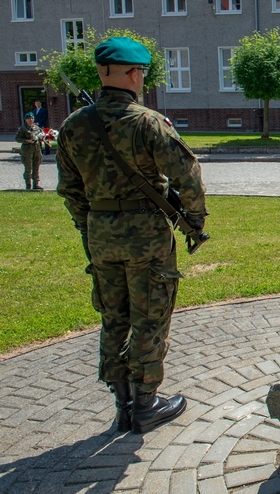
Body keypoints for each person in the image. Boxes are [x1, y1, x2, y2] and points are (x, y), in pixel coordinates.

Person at [56, 36, 207, 433]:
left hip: (100, 234)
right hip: (147, 235)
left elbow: (70, 191)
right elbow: (187, 175)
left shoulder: (74, 125)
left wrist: (90, 226)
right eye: (141, 72)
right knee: (150, 315)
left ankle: (122, 402)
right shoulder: (146, 122)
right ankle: (146, 402)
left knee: (114, 316)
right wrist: (195, 219)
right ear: (135, 74)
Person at [15, 112, 42, 190]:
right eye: (29, 118)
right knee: (28, 168)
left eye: (32, 118)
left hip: (36, 150)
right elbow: (17, 139)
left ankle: (36, 184)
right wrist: (27, 141)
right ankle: (28, 184)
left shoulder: (37, 128)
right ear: (25, 120)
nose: (31, 120)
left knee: (36, 167)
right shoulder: (23, 129)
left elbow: (40, 135)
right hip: (27, 151)